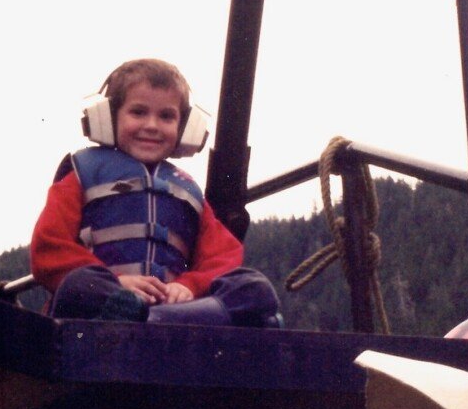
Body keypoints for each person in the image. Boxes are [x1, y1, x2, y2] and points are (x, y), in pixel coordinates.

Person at [30, 58, 280, 326]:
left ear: (185, 127)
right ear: (108, 116)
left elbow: (223, 256)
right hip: (103, 299)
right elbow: (49, 246)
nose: (152, 125)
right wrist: (117, 283)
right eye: (138, 112)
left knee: (254, 288)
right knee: (79, 284)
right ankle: (143, 314)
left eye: (166, 116)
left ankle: (155, 319)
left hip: (173, 306)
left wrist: (189, 286)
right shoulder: (81, 172)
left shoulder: (188, 190)